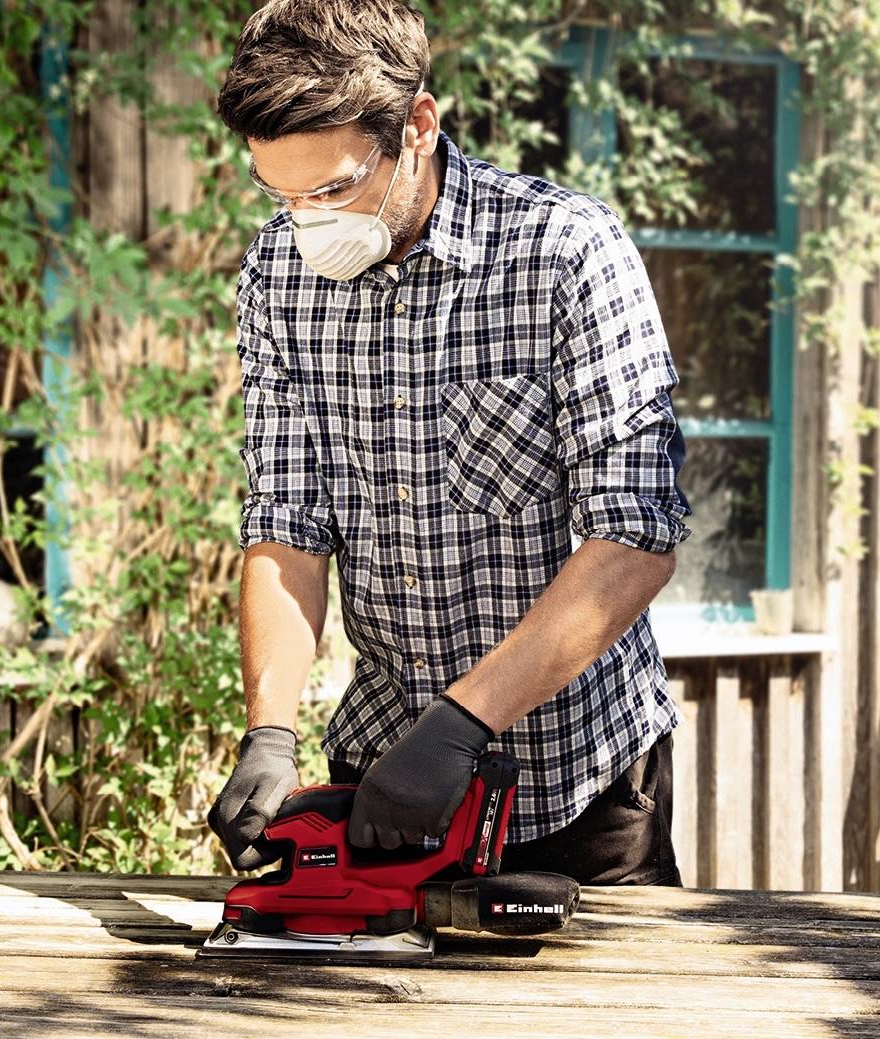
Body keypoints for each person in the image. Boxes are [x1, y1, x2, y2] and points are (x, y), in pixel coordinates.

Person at [206, 0, 692, 887]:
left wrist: (463, 723)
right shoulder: (276, 274)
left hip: (579, 791)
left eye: (333, 189)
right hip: (386, 782)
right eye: (280, 194)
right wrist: (270, 728)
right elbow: (285, 523)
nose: (305, 221)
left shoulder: (567, 252)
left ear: (418, 126)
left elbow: (634, 536)